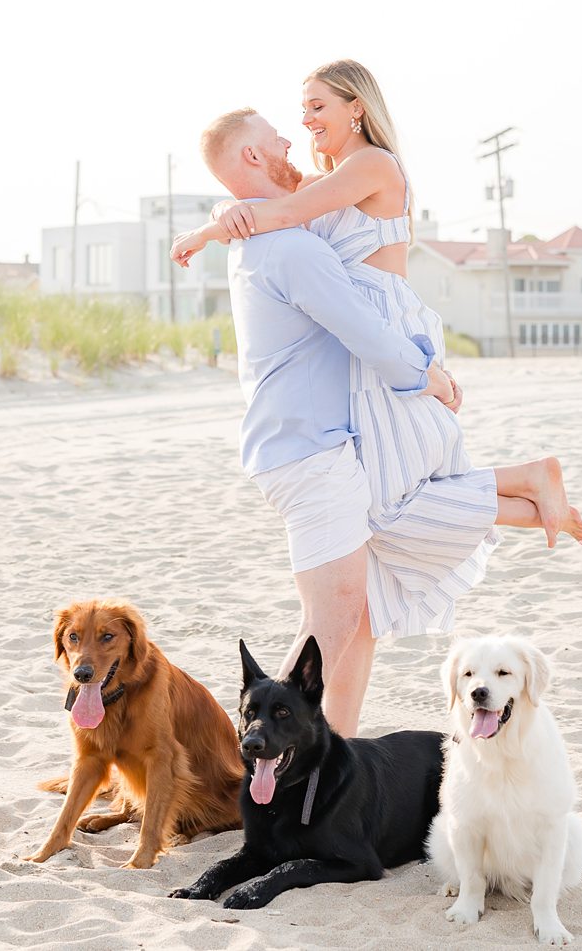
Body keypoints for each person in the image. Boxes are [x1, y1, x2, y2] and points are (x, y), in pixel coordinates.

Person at [197, 107, 455, 735]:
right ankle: (255, 759)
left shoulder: (265, 238)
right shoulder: (288, 248)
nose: (292, 139)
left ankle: (332, 753)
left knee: (353, 615)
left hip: (304, 443)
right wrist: (430, 375)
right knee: (333, 618)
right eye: (275, 137)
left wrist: (212, 221)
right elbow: (363, 330)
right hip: (310, 452)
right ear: (254, 158)